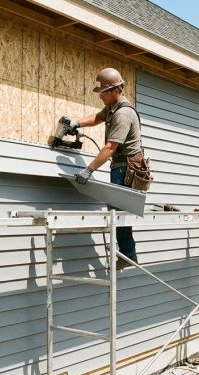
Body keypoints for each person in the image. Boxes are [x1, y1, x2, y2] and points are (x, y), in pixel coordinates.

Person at [69, 67, 145, 270]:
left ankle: (127, 254)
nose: (100, 96)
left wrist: (89, 170)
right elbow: (97, 118)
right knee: (116, 211)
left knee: (118, 212)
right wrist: (76, 124)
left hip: (126, 167)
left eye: (103, 92)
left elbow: (111, 147)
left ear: (116, 90)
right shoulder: (112, 108)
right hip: (119, 166)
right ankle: (126, 253)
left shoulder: (123, 114)